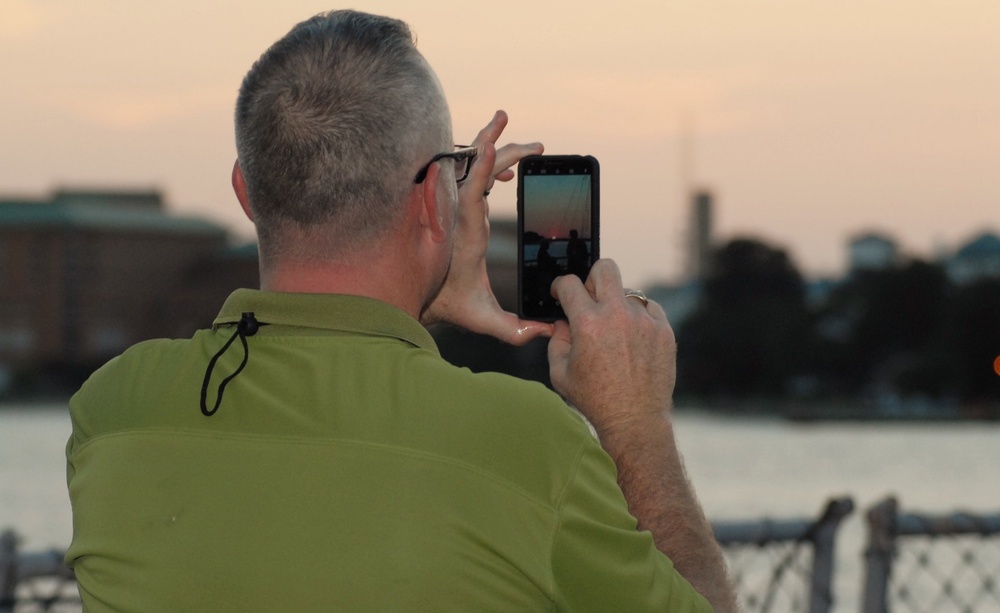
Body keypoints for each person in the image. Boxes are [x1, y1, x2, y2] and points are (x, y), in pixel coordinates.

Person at [65, 10, 736, 612]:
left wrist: (414, 298)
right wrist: (635, 424)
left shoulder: (112, 413)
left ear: (246, 191)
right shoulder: (528, 447)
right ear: (427, 203)